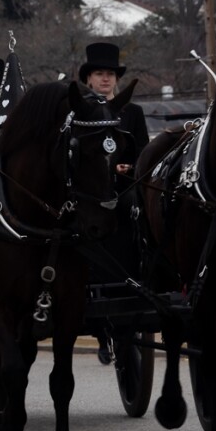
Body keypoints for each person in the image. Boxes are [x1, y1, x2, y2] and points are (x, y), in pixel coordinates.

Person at [80, 42, 149, 282]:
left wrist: (128, 167)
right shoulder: (81, 112)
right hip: (89, 188)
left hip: (124, 185)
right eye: (99, 74)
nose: (105, 79)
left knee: (134, 208)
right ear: (89, 78)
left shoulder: (133, 112)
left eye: (110, 74)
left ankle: (140, 266)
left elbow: (143, 150)